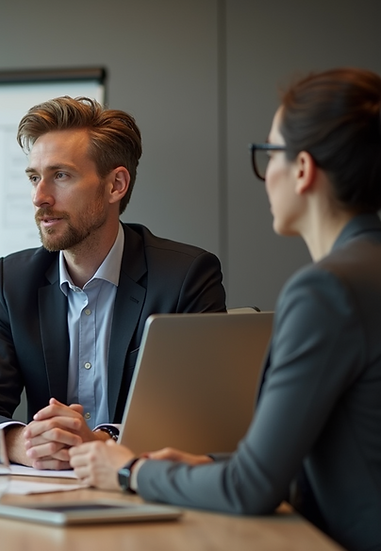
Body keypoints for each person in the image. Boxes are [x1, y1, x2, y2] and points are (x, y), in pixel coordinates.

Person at [68, 68, 381, 551]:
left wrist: (129, 469)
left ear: (302, 169)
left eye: (268, 153)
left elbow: (251, 489)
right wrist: (209, 467)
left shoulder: (327, 290)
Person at [0, 96, 227, 469]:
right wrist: (28, 443)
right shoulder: (15, 281)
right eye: (34, 178)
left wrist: (99, 442)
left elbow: (205, 420)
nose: (39, 197)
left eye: (60, 176)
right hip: (44, 501)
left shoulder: (186, 277)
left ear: (116, 185)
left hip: (142, 495)